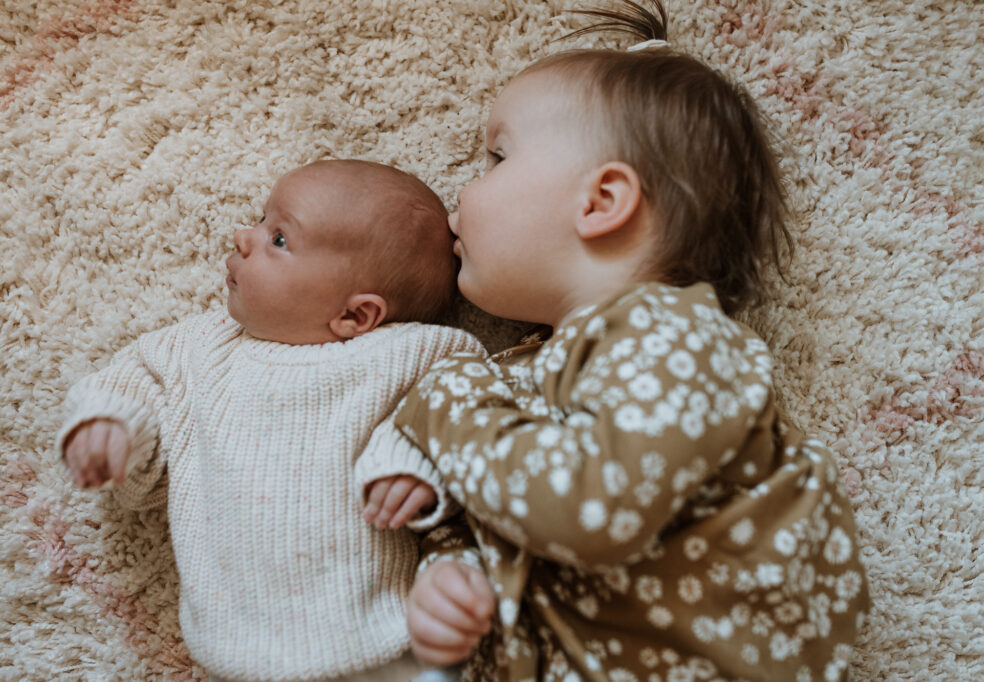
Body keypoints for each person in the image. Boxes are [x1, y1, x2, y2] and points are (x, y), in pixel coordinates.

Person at [364, 1, 871, 679]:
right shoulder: (531, 370)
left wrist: (448, 400)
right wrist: (453, 577)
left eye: (495, 157)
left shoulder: (678, 340)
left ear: (601, 202)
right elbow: (508, 508)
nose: (463, 188)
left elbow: (589, 511)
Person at [57, 160, 486, 682]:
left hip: (384, 642)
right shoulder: (197, 346)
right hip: (235, 653)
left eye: (278, 238)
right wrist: (110, 427)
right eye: (261, 220)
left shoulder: (409, 352)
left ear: (356, 316)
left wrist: (413, 464)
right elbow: (126, 384)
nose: (243, 236)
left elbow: (461, 407)